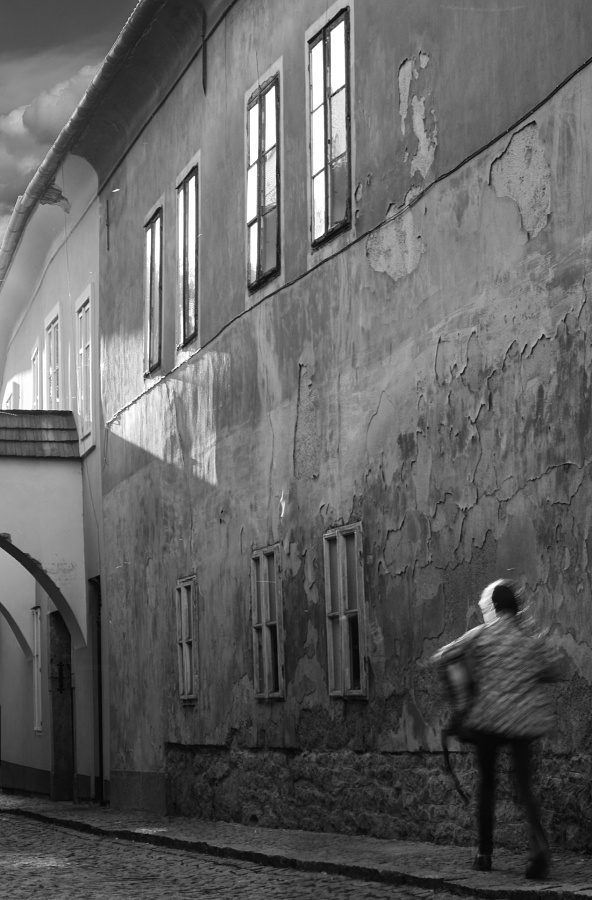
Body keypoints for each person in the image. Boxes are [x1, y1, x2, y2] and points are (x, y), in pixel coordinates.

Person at [433, 579, 559, 879]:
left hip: (487, 721)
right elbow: (551, 671)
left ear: (495, 607)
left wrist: (460, 700)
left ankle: (484, 853)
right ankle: (539, 846)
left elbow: (443, 657)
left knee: (487, 785)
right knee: (525, 787)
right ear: (516, 607)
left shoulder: (481, 635)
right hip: (524, 722)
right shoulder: (529, 640)